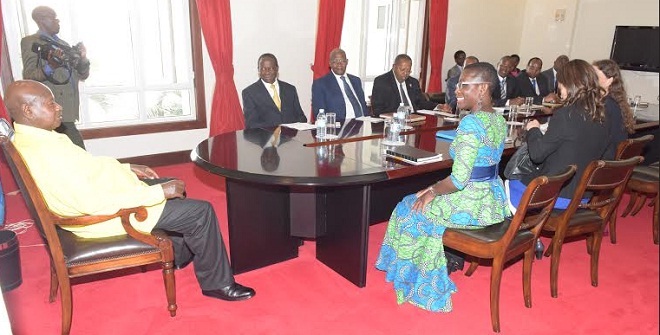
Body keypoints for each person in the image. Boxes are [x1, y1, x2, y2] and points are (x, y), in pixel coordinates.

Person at [4, 80, 256, 302]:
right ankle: (218, 284)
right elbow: (92, 202)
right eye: (51, 103)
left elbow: (88, 168)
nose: (59, 106)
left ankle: (178, 254)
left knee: (171, 183)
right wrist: (157, 193)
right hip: (101, 218)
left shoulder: (34, 138)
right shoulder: (45, 152)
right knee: (200, 211)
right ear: (28, 110)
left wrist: (127, 167)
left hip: (103, 196)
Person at [375, 62, 510, 312]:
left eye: (464, 85)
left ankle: (416, 279)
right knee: (419, 196)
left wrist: (432, 191)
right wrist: (431, 189)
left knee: (408, 208)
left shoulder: (471, 123)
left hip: (470, 203)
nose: (457, 90)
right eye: (458, 84)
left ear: (482, 89)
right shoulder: (498, 119)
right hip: (492, 200)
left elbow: (458, 180)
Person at [506, 59, 610, 211]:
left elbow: (536, 155)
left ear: (568, 84)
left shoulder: (565, 115)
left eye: (560, 82)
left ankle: (518, 227)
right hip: (583, 196)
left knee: (509, 179)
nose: (558, 87)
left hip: (556, 195)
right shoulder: (602, 116)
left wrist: (533, 129)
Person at [21, 6, 89, 149]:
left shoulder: (63, 45)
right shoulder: (31, 42)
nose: (57, 21)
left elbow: (82, 75)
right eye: (53, 17)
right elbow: (29, 76)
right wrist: (51, 66)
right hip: (52, 108)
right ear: (40, 20)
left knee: (72, 154)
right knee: (80, 151)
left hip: (68, 108)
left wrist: (83, 59)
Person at [242, 53, 307, 129]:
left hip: (291, 138)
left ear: (277, 69)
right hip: (265, 139)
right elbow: (251, 124)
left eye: (271, 68)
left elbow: (301, 117)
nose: (267, 72)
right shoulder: (249, 92)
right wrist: (276, 131)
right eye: (263, 68)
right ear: (258, 70)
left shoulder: (290, 89)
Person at [592, 59, 636, 159]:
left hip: (606, 159)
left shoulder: (607, 105)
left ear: (609, 81)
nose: (590, 78)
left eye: (595, 76)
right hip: (613, 158)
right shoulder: (614, 101)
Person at [371, 54, 439, 116]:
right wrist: (399, 115)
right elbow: (377, 109)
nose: (405, 73)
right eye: (402, 70)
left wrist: (438, 106)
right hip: (395, 120)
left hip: (415, 119)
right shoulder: (382, 82)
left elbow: (420, 102)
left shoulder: (413, 82)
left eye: (408, 71)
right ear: (394, 67)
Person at [312, 48, 368, 120]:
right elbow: (319, 112)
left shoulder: (356, 80)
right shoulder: (321, 84)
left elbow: (363, 106)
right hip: (340, 126)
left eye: (342, 61)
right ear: (330, 63)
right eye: (335, 61)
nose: (339, 64)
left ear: (347, 62)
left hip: (363, 122)